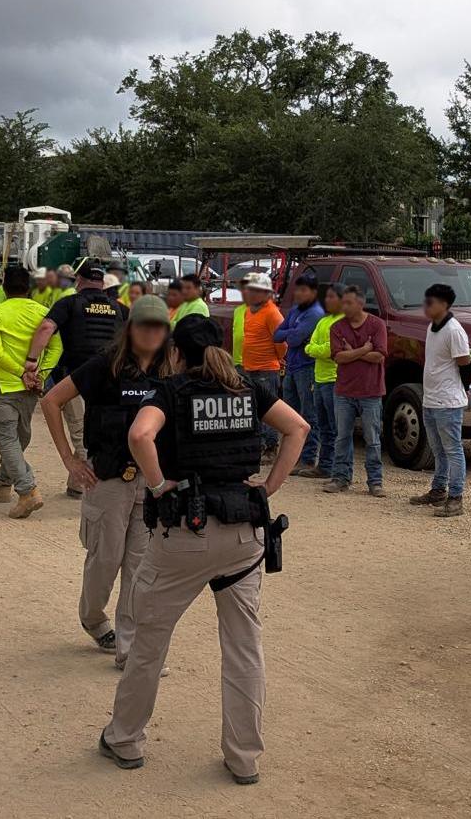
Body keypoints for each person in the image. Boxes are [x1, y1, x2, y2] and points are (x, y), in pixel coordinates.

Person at [99, 314, 308, 786]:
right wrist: (268, 487)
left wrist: (156, 487)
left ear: (177, 352)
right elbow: (298, 429)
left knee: (149, 643)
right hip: (243, 536)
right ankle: (244, 757)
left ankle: (126, 739)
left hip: (184, 535)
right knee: (243, 649)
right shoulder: (250, 390)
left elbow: (139, 436)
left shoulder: (170, 393)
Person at [43, 295, 175, 665]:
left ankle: (128, 649)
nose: (151, 332)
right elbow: (52, 400)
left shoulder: (171, 371)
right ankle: (93, 619)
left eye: (158, 326)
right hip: (108, 482)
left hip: (150, 485)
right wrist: (70, 460)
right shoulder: (105, 366)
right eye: (144, 325)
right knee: (104, 561)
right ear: (130, 328)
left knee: (140, 568)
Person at [28, 262, 128, 496]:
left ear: (78, 281)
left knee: (81, 433)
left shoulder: (69, 303)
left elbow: (45, 329)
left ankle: (88, 484)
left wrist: (32, 360)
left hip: (77, 378)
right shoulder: (119, 308)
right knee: (105, 429)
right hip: (113, 378)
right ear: (102, 284)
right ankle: (77, 485)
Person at [0, 266, 60, 518]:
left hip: (3, 386)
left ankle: (27, 491)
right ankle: (2, 483)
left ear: (5, 288)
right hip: (30, 390)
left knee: (7, 440)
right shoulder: (44, 314)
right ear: (29, 288)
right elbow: (56, 348)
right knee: (19, 439)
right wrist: (40, 375)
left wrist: (21, 373)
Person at [412, 283, 471, 517]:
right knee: (438, 449)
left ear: (444, 305)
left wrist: (462, 391)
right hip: (431, 398)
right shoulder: (432, 327)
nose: (426, 306)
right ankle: (438, 489)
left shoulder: (454, 331)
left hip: (448, 401)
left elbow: (465, 364)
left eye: (431, 302)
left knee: (452, 449)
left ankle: (456, 497)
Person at [323, 285, 388, 496]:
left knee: (373, 438)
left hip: (371, 391)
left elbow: (379, 355)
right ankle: (340, 477)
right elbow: (338, 357)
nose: (344, 306)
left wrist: (352, 352)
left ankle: (375, 481)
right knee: (342, 436)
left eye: (348, 302)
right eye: (343, 302)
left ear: (360, 303)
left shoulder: (377, 324)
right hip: (344, 391)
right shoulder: (337, 327)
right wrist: (364, 350)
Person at [232, 273, 287, 458]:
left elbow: (281, 343)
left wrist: (276, 360)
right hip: (250, 367)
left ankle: (270, 447)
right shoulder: (249, 311)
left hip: (266, 368)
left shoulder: (272, 313)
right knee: (254, 409)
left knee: (268, 409)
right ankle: (259, 445)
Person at [275, 275, 325, 474]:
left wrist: (291, 333)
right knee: (291, 414)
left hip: (307, 368)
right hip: (292, 367)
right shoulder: (296, 310)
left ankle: (308, 458)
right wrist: (292, 332)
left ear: (313, 292)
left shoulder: (315, 313)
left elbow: (293, 339)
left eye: (304, 290)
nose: (298, 294)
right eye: (297, 290)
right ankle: (293, 457)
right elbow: (277, 335)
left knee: (308, 414)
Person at [298, 284, 344, 479]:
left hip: (334, 379)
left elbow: (329, 349)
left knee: (336, 428)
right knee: (323, 426)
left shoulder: (343, 322)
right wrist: (313, 348)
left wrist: (312, 349)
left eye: (332, 297)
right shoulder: (324, 321)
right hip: (319, 378)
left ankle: (337, 468)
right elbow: (311, 344)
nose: (327, 300)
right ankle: (324, 466)